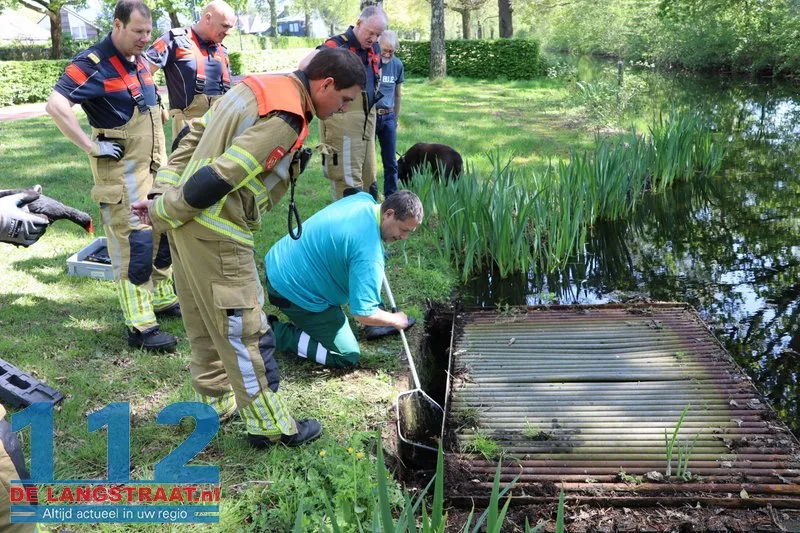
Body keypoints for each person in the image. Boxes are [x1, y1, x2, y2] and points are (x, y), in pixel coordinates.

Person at [130, 48, 365, 447]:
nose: (342, 109)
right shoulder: (287, 116)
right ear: (325, 84)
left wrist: (160, 191)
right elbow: (225, 173)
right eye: (343, 99)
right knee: (247, 331)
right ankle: (270, 426)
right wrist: (165, 210)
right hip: (216, 228)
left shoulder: (258, 85)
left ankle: (215, 407)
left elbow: (192, 133)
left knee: (204, 324)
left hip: (188, 228)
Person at [45, 0, 180, 352]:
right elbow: (55, 105)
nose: (145, 39)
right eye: (138, 31)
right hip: (122, 179)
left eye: (149, 32)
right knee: (134, 246)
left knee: (162, 234)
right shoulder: (92, 65)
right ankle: (140, 325)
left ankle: (163, 299)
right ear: (117, 26)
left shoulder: (138, 61)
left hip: (154, 171)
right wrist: (91, 148)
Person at [264, 190, 422, 368]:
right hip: (290, 289)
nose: (404, 237)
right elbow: (363, 314)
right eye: (403, 230)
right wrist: (395, 320)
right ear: (389, 214)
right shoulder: (368, 255)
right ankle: (268, 332)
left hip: (279, 260)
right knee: (346, 356)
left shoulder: (364, 200)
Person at [299, 6, 387, 200]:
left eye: (378, 35)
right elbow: (304, 66)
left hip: (367, 120)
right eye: (370, 32)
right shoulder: (337, 45)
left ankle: (364, 224)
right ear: (359, 23)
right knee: (347, 180)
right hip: (343, 120)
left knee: (369, 178)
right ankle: (344, 227)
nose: (373, 38)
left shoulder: (375, 48)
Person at [145, 0, 236, 140]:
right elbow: (142, 71)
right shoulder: (174, 40)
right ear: (208, 18)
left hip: (222, 125)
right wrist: (155, 100)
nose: (228, 32)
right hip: (188, 128)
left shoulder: (222, 49)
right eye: (224, 26)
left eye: (230, 27)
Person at [374, 30, 404, 198]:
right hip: (371, 116)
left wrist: (396, 117)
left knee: (391, 161)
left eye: (391, 51)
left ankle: (391, 197)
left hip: (389, 116)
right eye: (384, 50)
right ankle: (369, 194)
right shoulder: (371, 63)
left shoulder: (397, 65)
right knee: (367, 160)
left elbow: (398, 94)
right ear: (378, 46)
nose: (387, 54)